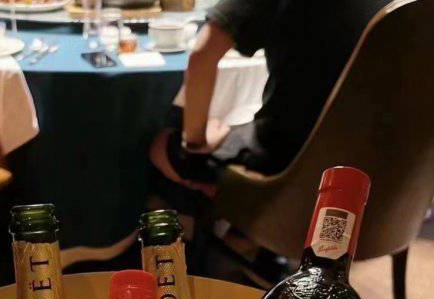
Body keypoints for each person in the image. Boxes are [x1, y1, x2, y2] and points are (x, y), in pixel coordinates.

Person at [150, 0, 392, 278]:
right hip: (380, 185)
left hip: (290, 174)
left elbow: (203, 55)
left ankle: (215, 248)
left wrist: (195, 144)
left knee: (163, 144)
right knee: (245, 124)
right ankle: (247, 243)